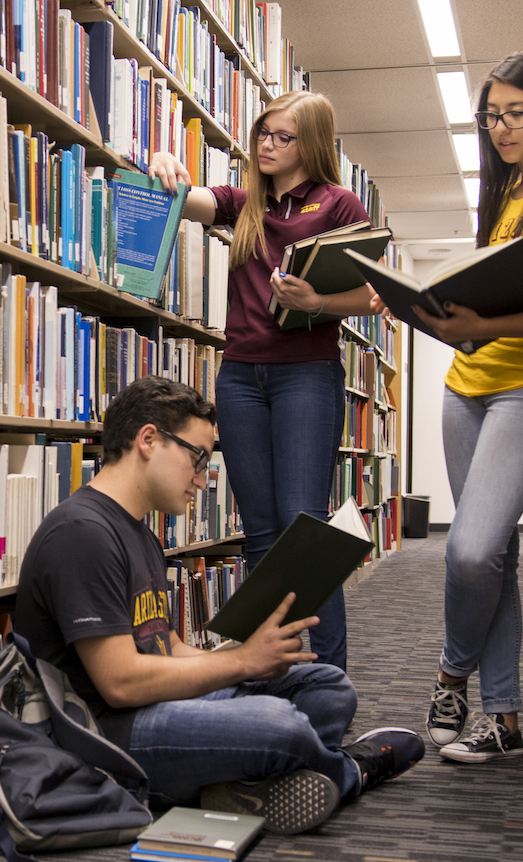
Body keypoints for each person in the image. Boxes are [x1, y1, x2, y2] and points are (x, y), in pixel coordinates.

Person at [12, 376, 424, 834]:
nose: (204, 477)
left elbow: (165, 647)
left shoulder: (140, 532)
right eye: (199, 457)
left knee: (328, 688)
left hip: (156, 708)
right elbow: (121, 683)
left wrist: (245, 661)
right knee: (278, 725)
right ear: (148, 440)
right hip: (105, 736)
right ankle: (350, 771)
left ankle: (229, 785)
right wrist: (241, 663)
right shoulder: (82, 532)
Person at [383, 49, 523, 763]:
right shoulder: (505, 190)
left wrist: (483, 326)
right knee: (496, 552)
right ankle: (502, 721)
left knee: (471, 549)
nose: (501, 128)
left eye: (516, 113)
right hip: (466, 387)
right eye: (492, 115)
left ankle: (450, 674)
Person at [146, 91, 377, 671]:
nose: (268, 145)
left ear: (312, 143)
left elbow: (375, 295)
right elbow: (187, 199)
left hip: (306, 374)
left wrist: (319, 300)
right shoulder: (244, 203)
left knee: (305, 530)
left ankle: (328, 674)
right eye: (263, 135)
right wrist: (164, 163)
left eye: (283, 137)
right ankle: (274, 669)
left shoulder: (339, 204)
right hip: (242, 377)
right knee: (261, 535)